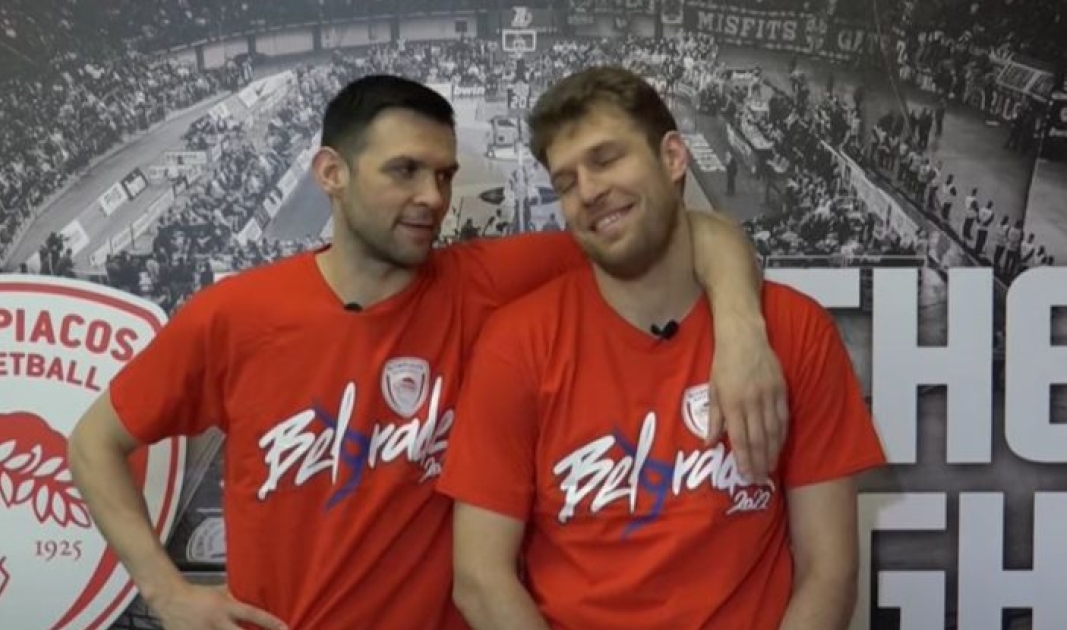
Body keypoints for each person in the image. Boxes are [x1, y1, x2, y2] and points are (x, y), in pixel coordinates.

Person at [67, 74, 789, 630]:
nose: (432, 198)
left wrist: (740, 328)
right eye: (404, 171)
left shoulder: (483, 284)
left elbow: (686, 229)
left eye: (443, 175)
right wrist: (166, 592)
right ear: (331, 173)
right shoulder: (235, 314)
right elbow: (93, 444)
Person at [438, 66, 887, 630]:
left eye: (606, 159)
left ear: (673, 157)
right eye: (567, 182)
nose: (588, 191)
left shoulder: (793, 330)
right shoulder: (516, 344)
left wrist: (740, 324)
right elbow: (481, 579)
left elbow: (829, 571)